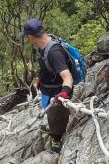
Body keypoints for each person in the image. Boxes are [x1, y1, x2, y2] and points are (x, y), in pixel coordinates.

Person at [20, 18, 73, 153]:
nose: (27, 39)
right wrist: (41, 79)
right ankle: (53, 127)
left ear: (31, 37)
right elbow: (47, 66)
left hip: (58, 92)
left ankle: (57, 138)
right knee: (49, 112)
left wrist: (64, 93)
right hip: (48, 88)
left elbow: (67, 77)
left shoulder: (54, 52)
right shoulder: (44, 45)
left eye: (27, 37)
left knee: (57, 115)